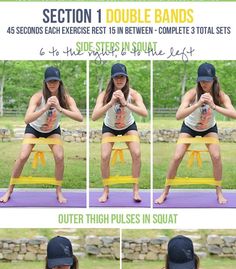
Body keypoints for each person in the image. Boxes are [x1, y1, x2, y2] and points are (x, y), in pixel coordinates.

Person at [0, 64, 84, 205]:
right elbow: (27, 119)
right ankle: (9, 190)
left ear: (59, 82)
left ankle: (58, 191)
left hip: (52, 130)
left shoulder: (66, 98)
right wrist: (45, 108)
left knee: (59, 156)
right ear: (45, 82)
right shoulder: (38, 97)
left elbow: (79, 117)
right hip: (34, 128)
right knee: (23, 156)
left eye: (55, 81)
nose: (52, 84)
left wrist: (59, 108)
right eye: (49, 81)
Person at [157, 63, 236, 208]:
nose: (204, 83)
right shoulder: (192, 94)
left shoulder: (220, 95)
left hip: (209, 128)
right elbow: (178, 115)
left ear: (214, 79)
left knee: (216, 157)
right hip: (189, 127)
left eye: (207, 80)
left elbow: (234, 114)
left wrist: (214, 106)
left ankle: (219, 192)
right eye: (202, 80)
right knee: (176, 157)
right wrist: (198, 103)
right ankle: (165, 192)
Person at [92, 62, 148, 204]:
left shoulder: (133, 94)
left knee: (136, 153)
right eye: (116, 77)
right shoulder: (104, 95)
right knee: (104, 156)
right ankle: (106, 190)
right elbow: (94, 117)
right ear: (112, 79)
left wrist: (125, 102)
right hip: (110, 127)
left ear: (126, 79)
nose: (119, 80)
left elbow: (144, 113)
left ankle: (135, 189)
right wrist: (111, 102)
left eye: (122, 77)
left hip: (128, 126)